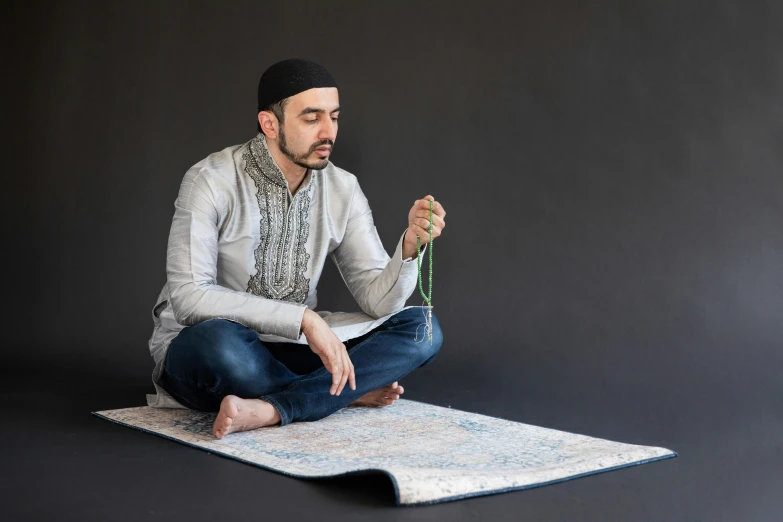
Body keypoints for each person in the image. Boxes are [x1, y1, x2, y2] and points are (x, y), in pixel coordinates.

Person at [145, 58, 447, 439]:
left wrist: (408, 248)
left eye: (334, 117)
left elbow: (379, 302)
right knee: (218, 346)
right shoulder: (210, 180)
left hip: (294, 347)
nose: (328, 132)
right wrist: (303, 319)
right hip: (220, 349)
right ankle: (336, 393)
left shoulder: (343, 188)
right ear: (270, 124)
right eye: (311, 118)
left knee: (422, 328)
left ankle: (274, 407)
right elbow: (189, 297)